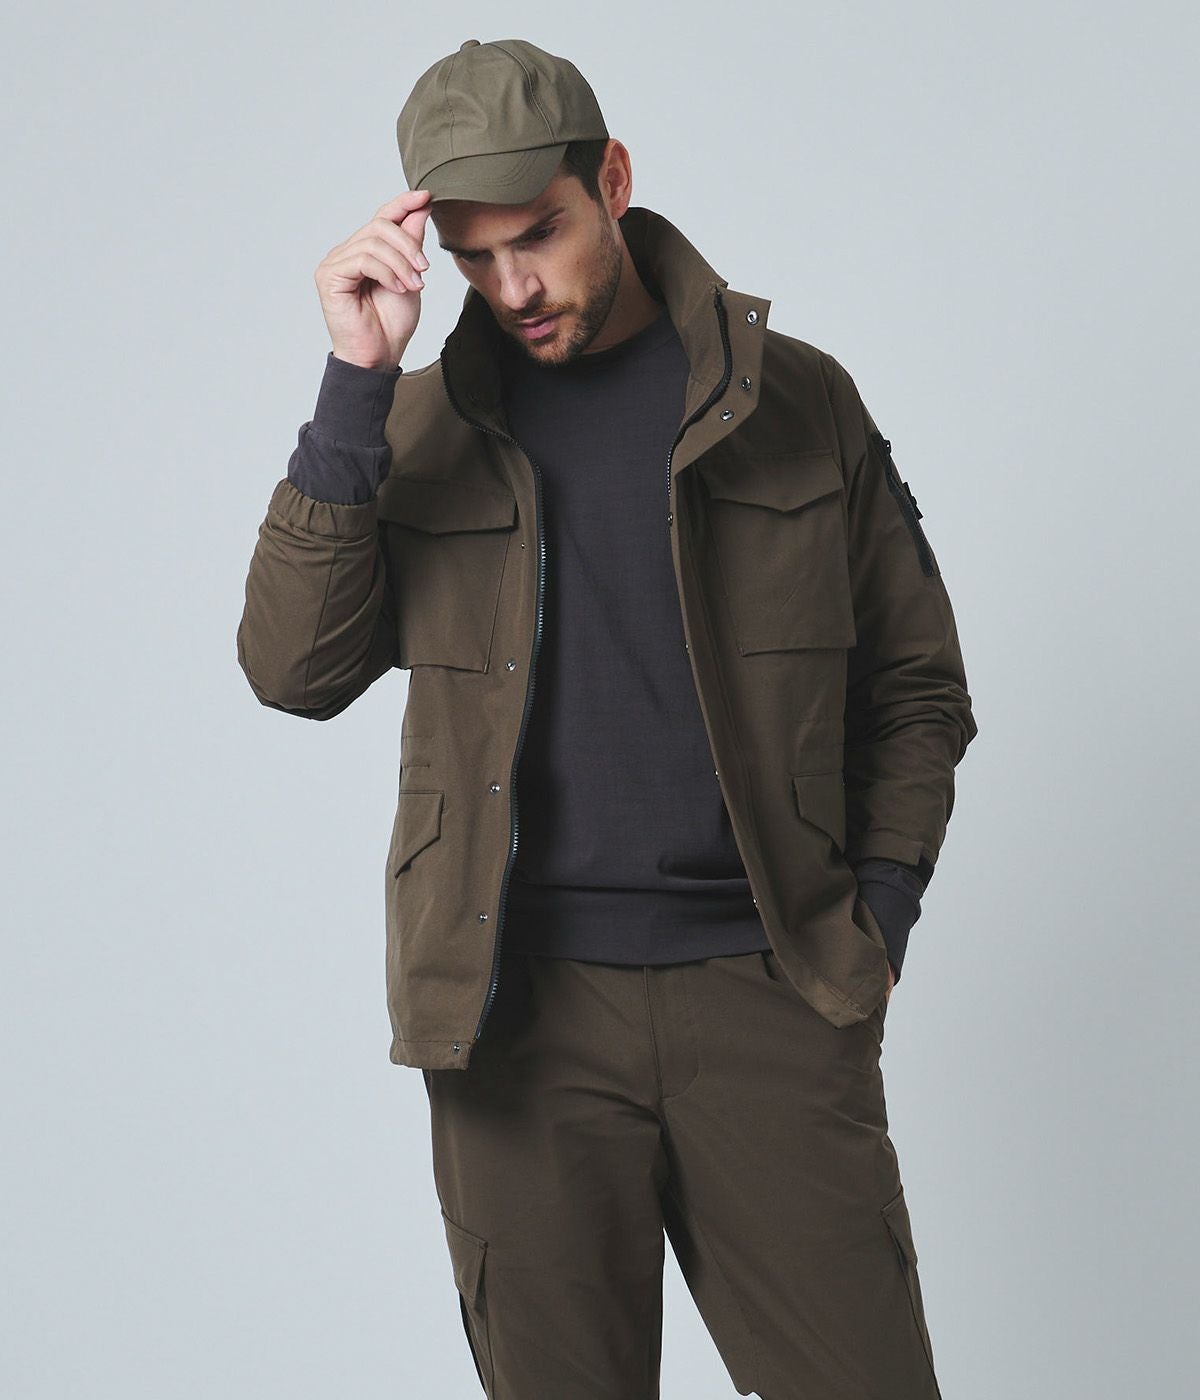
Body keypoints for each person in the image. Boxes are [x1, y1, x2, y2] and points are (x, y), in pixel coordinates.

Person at [237, 36, 978, 1400]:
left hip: (771, 997)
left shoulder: (797, 402)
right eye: (474, 258)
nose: (514, 288)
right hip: (517, 1021)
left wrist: (875, 919)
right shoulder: (414, 428)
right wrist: (355, 383)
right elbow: (293, 669)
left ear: (614, 182)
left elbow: (919, 683)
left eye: (540, 236)